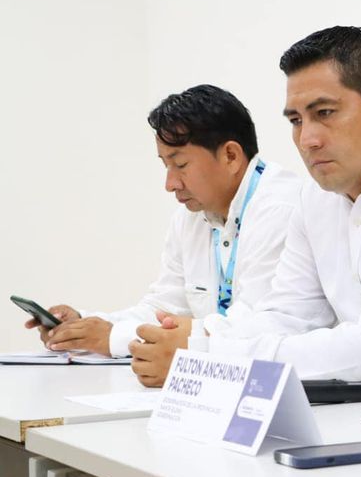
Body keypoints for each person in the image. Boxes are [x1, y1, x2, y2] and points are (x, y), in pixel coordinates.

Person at [129, 26, 361, 387]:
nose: (307, 140)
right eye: (296, 121)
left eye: (325, 112)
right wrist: (201, 340)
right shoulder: (315, 196)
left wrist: (207, 354)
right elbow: (288, 315)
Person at [28, 85, 302, 359]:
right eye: (165, 166)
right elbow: (164, 309)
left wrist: (113, 337)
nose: (170, 184)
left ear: (230, 156)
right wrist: (84, 326)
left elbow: (251, 327)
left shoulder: (281, 209)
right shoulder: (190, 216)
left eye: (180, 165)